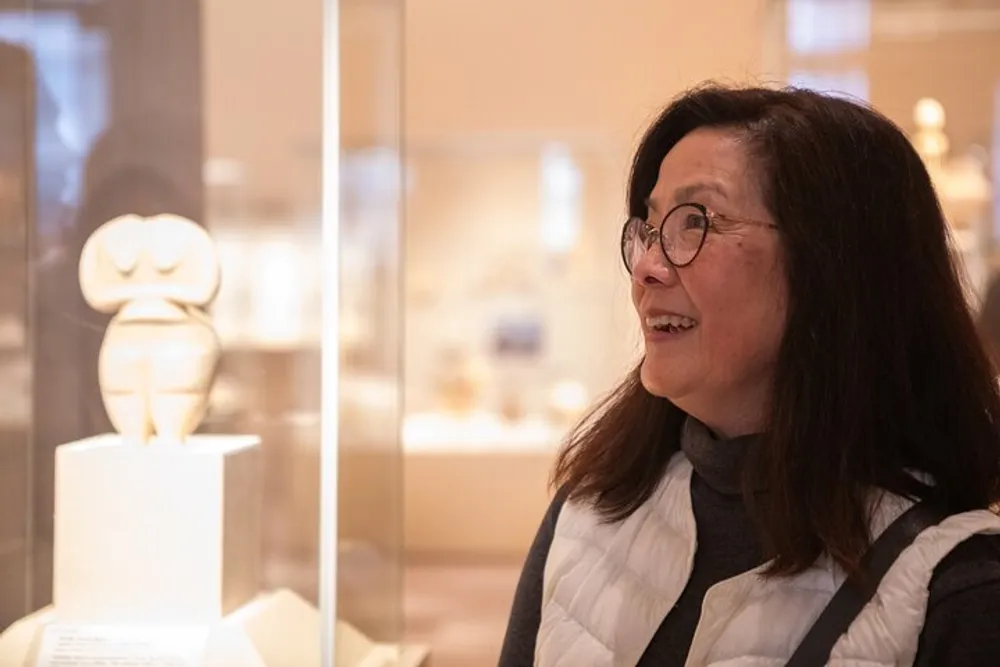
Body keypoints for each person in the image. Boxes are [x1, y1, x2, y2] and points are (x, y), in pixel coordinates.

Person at [498, 85, 1000, 666]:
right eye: (651, 228)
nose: (647, 268)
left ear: (832, 264)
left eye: (697, 222)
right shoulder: (591, 506)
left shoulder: (959, 592)